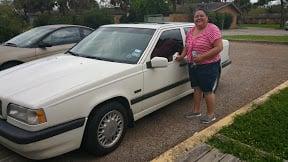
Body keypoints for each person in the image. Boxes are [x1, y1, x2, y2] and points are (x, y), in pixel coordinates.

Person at [175, 8, 223, 124]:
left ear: (207, 17)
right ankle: (196, 111)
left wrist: (202, 57)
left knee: (207, 91)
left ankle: (211, 115)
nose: (199, 18)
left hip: (208, 65)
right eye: (196, 16)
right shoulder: (192, 31)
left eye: (201, 16)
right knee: (196, 88)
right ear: (194, 19)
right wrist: (182, 56)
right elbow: (187, 46)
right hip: (194, 64)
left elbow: (219, 47)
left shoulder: (212, 29)